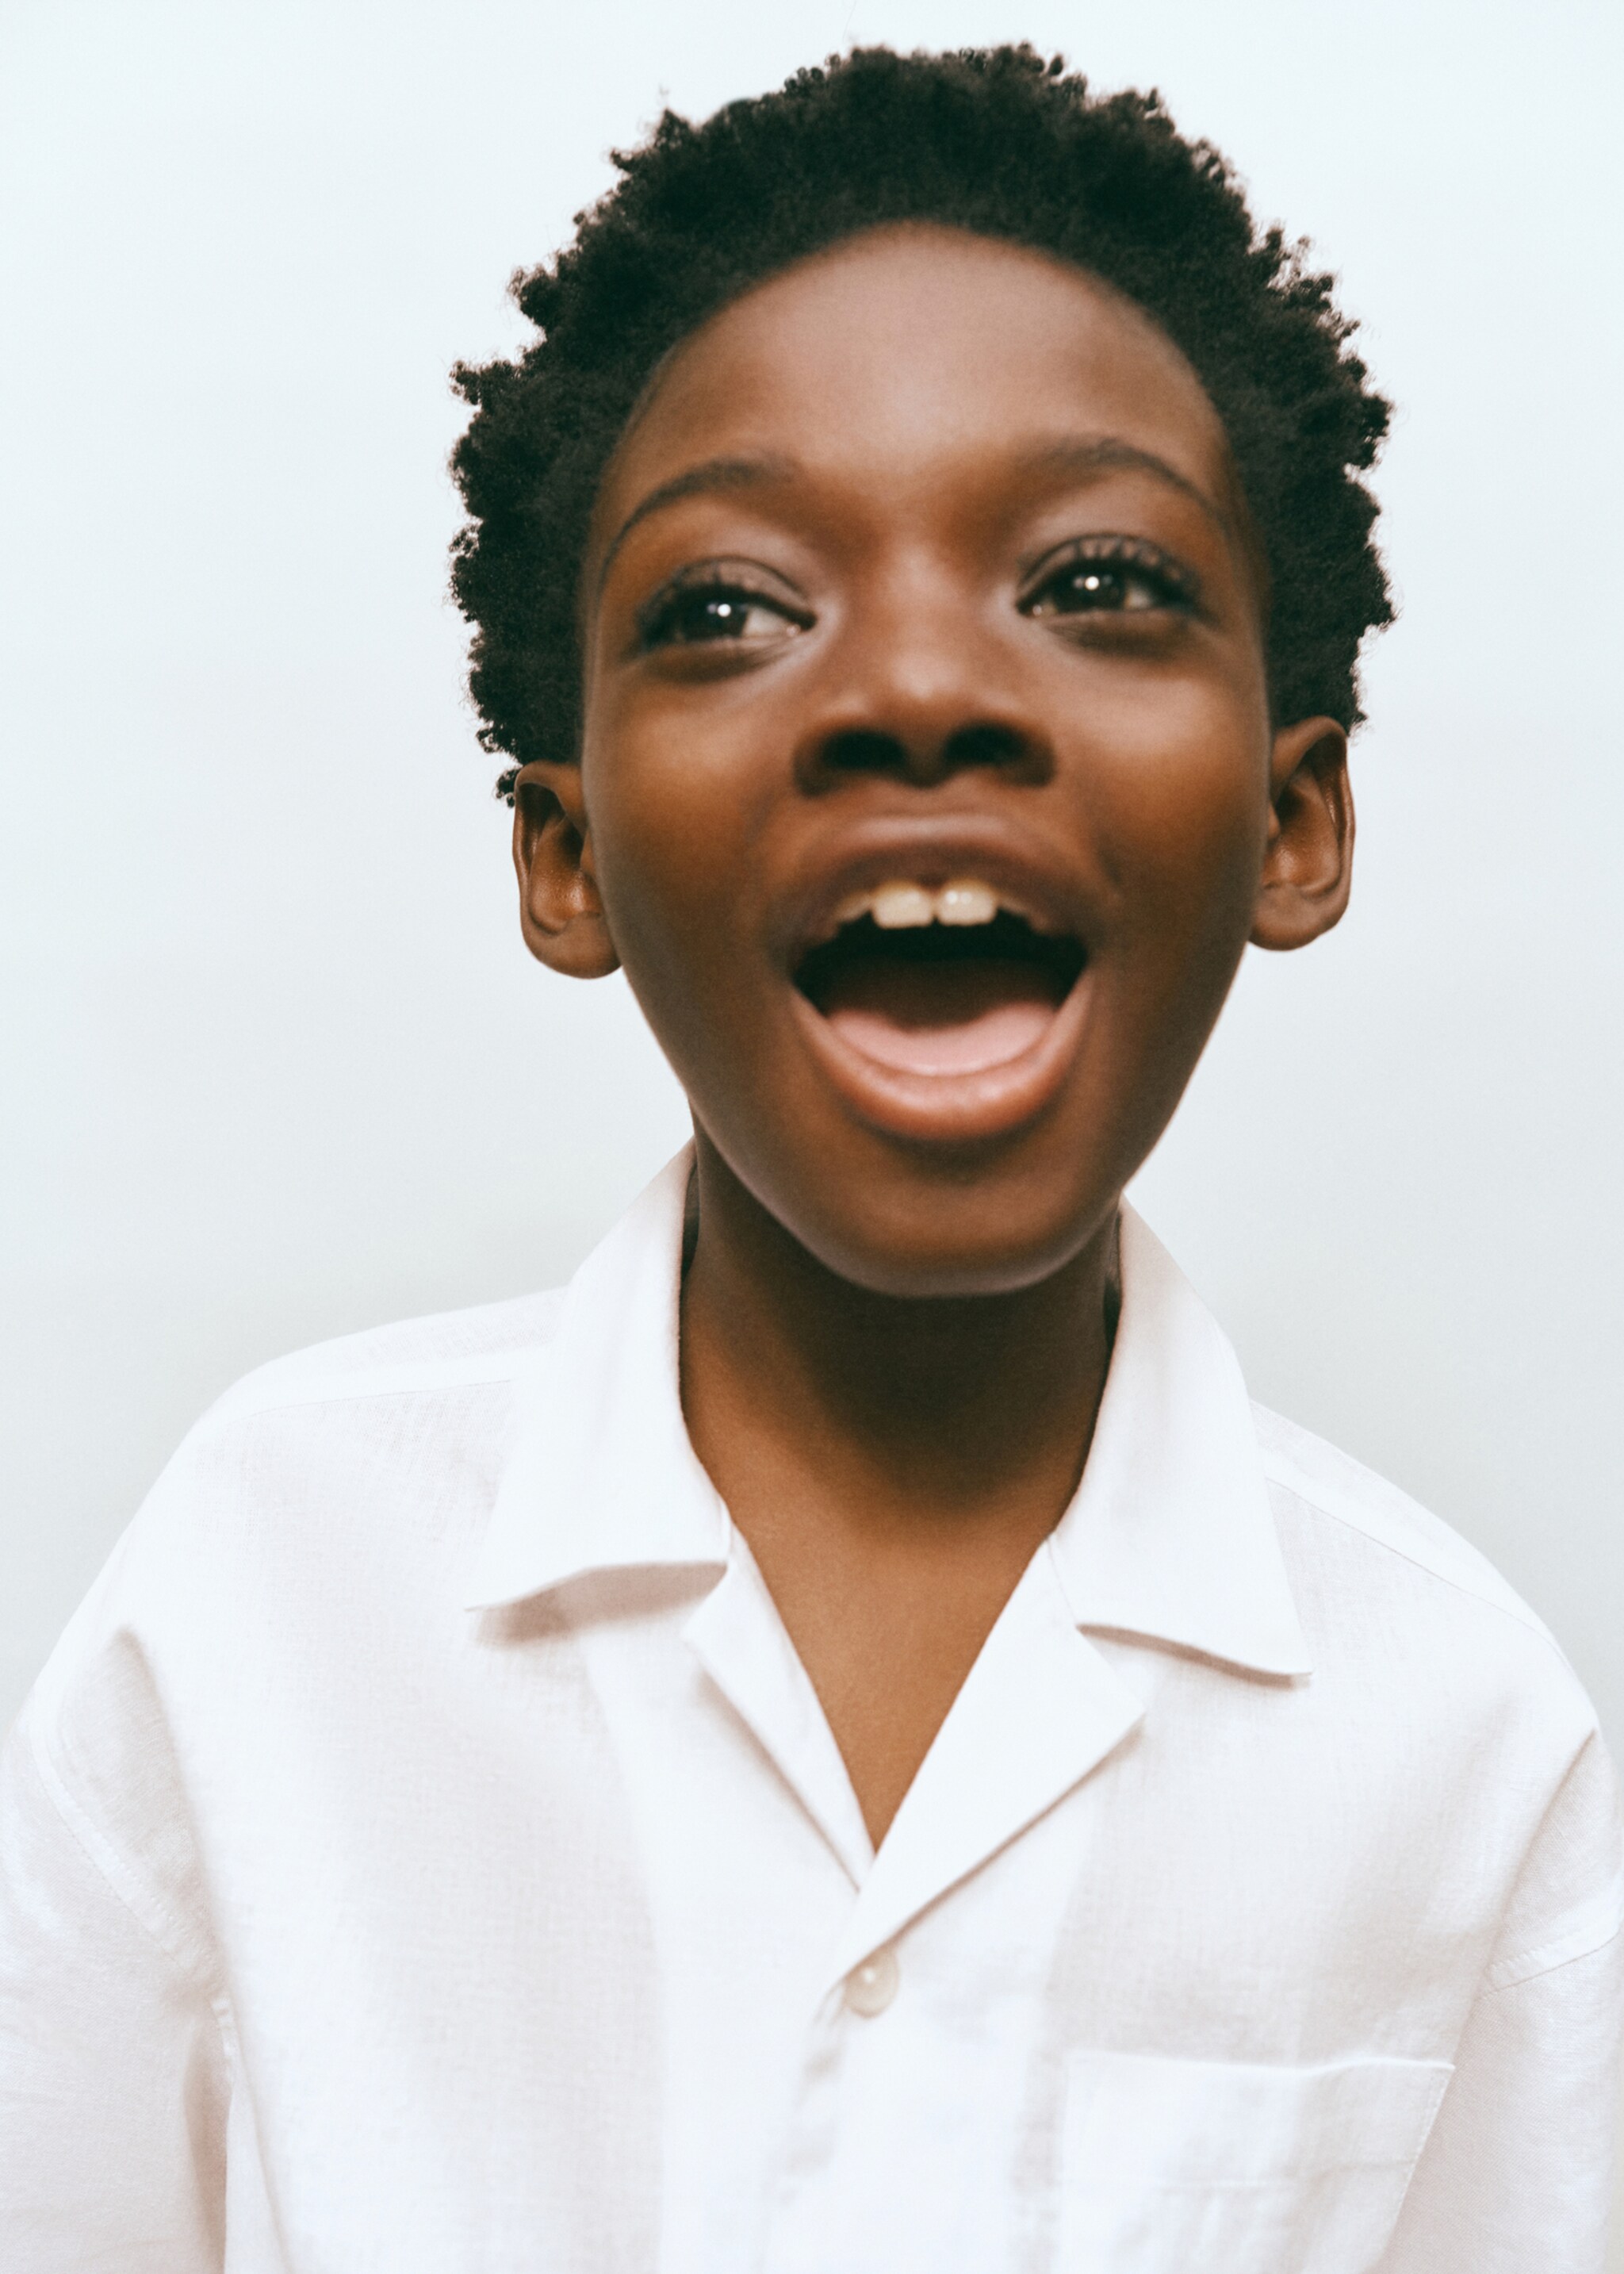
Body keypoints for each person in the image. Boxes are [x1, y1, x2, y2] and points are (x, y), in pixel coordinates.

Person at [1, 44, 1617, 2272]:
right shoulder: (258, 1597)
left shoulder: (1466, 1742)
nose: (921, 688)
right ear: (563, 850)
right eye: (732, 607)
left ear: (1292, 815)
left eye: (1103, 578)